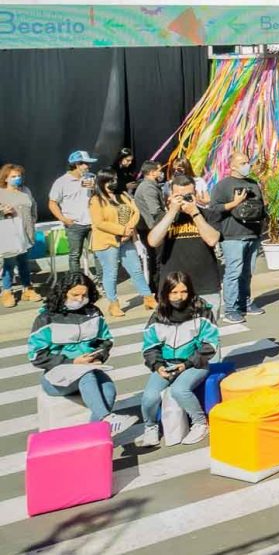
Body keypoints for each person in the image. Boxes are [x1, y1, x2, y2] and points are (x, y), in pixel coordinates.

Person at [27, 272, 138, 436]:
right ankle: (106, 419)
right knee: (86, 375)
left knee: (109, 390)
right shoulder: (46, 318)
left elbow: (105, 340)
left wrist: (98, 356)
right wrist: (72, 362)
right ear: (63, 292)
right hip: (56, 377)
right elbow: (36, 355)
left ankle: (93, 437)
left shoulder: (94, 313)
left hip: (88, 369)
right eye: (75, 295)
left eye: (84, 295)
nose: (79, 299)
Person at [133, 271, 220, 447]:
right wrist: (157, 366)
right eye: (174, 292)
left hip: (195, 364)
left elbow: (210, 344)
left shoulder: (203, 312)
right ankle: (150, 427)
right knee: (149, 397)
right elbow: (149, 346)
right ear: (165, 293)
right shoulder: (158, 316)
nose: (179, 297)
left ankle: (200, 423)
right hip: (167, 365)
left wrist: (187, 364)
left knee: (179, 390)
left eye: (184, 291)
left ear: (190, 292)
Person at [88, 168, 154, 318]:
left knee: (136, 270)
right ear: (102, 182)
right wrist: (121, 230)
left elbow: (135, 212)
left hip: (126, 239)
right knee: (111, 273)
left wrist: (129, 229)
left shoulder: (123, 195)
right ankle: (113, 303)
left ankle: (148, 298)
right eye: (110, 180)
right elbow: (99, 223)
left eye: (115, 179)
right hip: (107, 241)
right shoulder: (96, 200)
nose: (114, 182)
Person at [210, 151, 265, 325]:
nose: (246, 165)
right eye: (242, 162)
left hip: (252, 233)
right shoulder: (223, 186)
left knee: (247, 272)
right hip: (233, 235)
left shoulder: (253, 183)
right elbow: (214, 209)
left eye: (247, 162)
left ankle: (245, 302)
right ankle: (231, 309)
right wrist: (234, 203)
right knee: (234, 272)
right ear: (232, 166)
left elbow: (260, 205)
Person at [49, 151, 98, 277]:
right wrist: (64, 219)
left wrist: (95, 188)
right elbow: (52, 203)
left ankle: (103, 282)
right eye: (86, 164)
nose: (88, 167)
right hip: (74, 224)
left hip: (93, 223)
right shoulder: (61, 182)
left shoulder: (91, 177)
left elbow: (100, 197)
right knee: (75, 255)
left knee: (99, 252)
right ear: (76, 164)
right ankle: (76, 282)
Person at [0, 163, 41, 307]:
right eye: (13, 176)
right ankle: (6, 291)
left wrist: (33, 222)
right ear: (5, 178)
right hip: (9, 235)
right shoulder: (1, 193)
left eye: (19, 176)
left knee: (24, 263)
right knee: (9, 264)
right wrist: (2, 212)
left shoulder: (26, 190)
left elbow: (33, 207)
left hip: (26, 234)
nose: (17, 179)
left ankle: (27, 289)